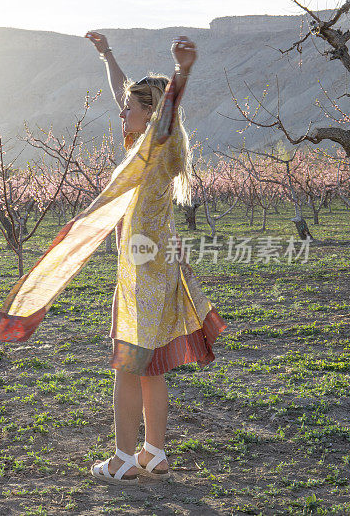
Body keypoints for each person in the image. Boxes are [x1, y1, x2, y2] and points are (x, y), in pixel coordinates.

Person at [81, 31, 228, 484]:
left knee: (127, 364)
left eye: (131, 107)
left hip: (146, 272)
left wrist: (181, 74)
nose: (121, 111)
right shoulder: (144, 149)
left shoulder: (158, 149)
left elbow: (166, 113)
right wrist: (107, 55)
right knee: (149, 367)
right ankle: (153, 453)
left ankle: (124, 458)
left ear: (150, 115)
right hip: (153, 267)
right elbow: (123, 88)